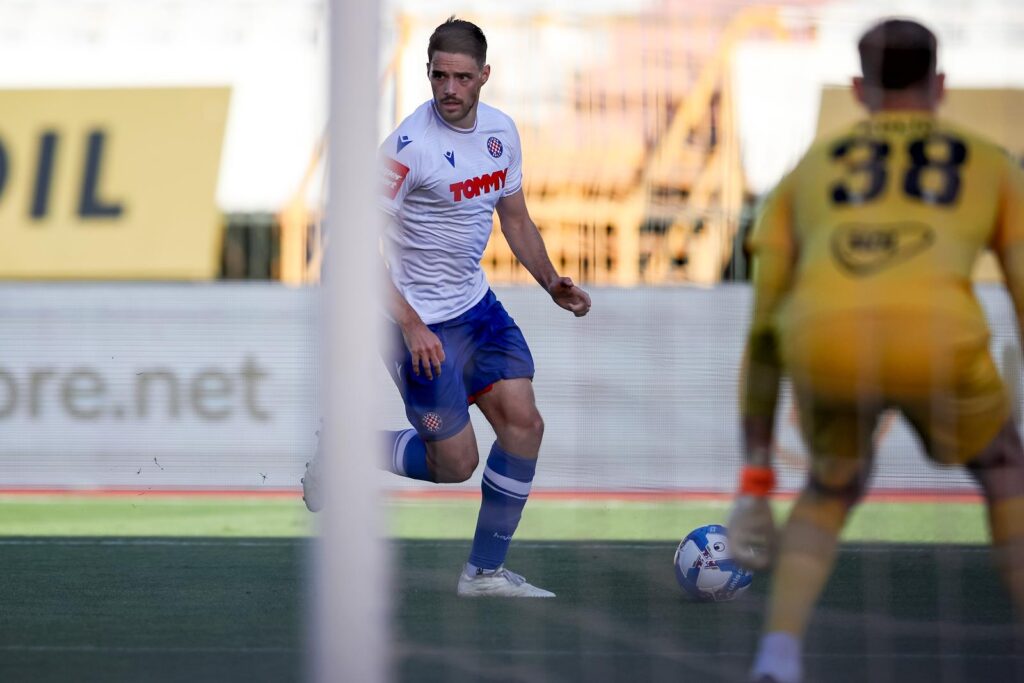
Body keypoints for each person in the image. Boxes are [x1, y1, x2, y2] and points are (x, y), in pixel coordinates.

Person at [727, 18, 1024, 683]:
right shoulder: (991, 163)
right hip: (937, 339)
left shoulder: (806, 171)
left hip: (825, 340)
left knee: (830, 485)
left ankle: (778, 654)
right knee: (1006, 467)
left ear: (859, 89)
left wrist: (755, 479)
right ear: (940, 85)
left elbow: (764, 332)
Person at [303, 17, 591, 598]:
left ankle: (483, 573)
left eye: (462, 77)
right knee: (456, 465)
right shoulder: (406, 150)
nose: (450, 89)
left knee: (525, 426)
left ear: (484, 75)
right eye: (440, 76)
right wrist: (410, 325)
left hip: (476, 309)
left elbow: (515, 218)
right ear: (428, 73)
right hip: (413, 321)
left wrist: (550, 281)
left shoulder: (501, 133)